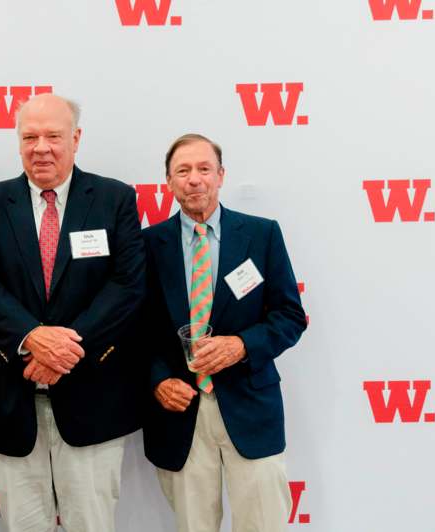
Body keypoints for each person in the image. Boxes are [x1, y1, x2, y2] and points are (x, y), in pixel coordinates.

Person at [0, 93, 145, 531]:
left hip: (92, 398)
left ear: (76, 139)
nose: (40, 147)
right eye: (30, 136)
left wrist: (64, 348)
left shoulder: (114, 199)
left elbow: (126, 285)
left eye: (53, 136)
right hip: (12, 401)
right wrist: (32, 337)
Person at [142, 133, 307, 532]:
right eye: (183, 170)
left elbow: (290, 315)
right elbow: (134, 329)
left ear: (221, 176)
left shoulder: (262, 234)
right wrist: (157, 379)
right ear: (168, 181)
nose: (194, 179)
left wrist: (241, 345)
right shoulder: (148, 245)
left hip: (250, 406)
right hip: (180, 414)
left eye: (203, 169)